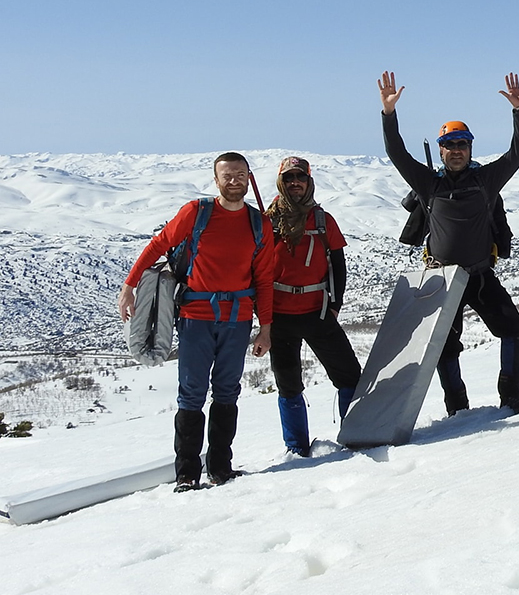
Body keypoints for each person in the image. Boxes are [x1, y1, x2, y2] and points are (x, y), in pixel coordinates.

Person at [377, 70, 519, 414]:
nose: (456, 150)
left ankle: (510, 396)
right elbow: (396, 153)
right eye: (449, 145)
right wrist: (389, 113)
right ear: (441, 149)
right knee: (446, 347)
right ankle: (457, 409)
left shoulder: (486, 180)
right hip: (443, 280)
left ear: (470, 147)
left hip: (479, 276)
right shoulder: (428, 184)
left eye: (462, 144)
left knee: (511, 329)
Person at [118, 152, 276, 491]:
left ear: (249, 178)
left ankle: (220, 468)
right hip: (195, 317)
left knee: (227, 392)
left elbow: (264, 278)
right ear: (216, 179)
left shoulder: (258, 223)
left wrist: (265, 328)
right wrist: (128, 286)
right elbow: (159, 245)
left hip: (237, 320)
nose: (234, 181)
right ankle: (187, 473)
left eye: (239, 175)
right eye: (227, 176)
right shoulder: (196, 213)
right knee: (191, 394)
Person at [264, 156, 363, 457]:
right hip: (280, 317)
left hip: (317, 313)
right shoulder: (267, 222)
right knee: (288, 383)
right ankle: (296, 448)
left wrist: (334, 306)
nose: (295, 183)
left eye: (301, 177)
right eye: (289, 178)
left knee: (349, 376)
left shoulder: (322, 221)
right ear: (282, 182)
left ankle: (355, 434)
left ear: (309, 181)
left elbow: (338, 266)